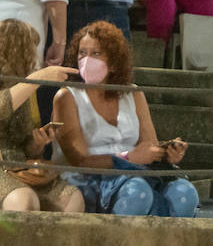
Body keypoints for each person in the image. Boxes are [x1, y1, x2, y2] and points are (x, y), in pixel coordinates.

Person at [53, 21, 198, 216]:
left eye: (96, 53)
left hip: (136, 172)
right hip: (88, 177)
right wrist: (127, 158)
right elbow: (78, 160)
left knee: (185, 193)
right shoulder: (67, 96)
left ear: (113, 63)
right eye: (82, 53)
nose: (87, 60)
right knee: (137, 191)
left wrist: (165, 152)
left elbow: (149, 145)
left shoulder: (133, 94)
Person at [0, 18, 84, 210]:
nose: (33, 58)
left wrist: (37, 142)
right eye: (29, 51)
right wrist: (37, 78)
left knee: (72, 198)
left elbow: (25, 145)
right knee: (24, 199)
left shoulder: (21, 86)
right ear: (12, 51)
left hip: (18, 166)